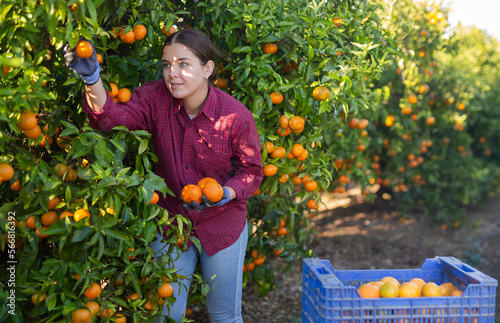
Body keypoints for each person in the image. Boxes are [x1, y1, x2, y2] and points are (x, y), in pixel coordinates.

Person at [65, 29, 263, 322]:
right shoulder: (154, 99)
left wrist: (225, 194)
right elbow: (109, 120)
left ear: (207, 69)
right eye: (167, 64)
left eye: (184, 64)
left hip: (223, 225)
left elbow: (252, 172)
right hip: (170, 223)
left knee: (225, 317)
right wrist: (92, 79)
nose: (173, 73)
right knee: (165, 316)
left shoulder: (235, 116)